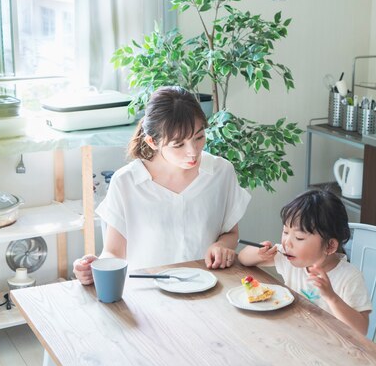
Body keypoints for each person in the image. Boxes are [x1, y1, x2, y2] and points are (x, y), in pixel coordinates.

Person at [73, 86, 251, 284]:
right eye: (178, 145)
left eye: (199, 137)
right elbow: (114, 252)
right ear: (152, 141)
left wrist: (222, 246)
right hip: (148, 297)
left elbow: (231, 233)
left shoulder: (221, 172)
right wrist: (94, 268)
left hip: (209, 289)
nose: (193, 151)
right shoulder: (126, 182)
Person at [238, 188, 372, 335]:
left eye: (299, 238)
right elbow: (243, 258)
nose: (287, 242)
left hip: (332, 345)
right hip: (296, 334)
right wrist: (260, 254)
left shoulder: (349, 277)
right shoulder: (288, 257)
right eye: (285, 232)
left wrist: (331, 297)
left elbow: (361, 330)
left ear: (330, 245)